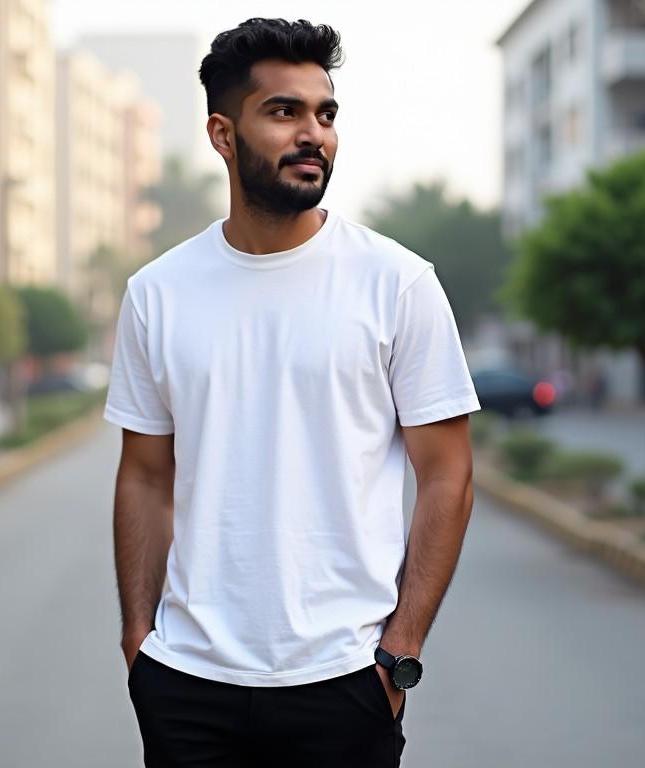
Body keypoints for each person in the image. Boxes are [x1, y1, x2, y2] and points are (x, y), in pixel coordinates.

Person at [105, 18, 480, 767]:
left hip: (343, 680)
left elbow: (448, 474)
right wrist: (138, 643)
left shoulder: (397, 282)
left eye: (326, 113)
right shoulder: (157, 294)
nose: (314, 133)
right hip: (186, 680)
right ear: (222, 133)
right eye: (285, 112)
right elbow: (146, 476)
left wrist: (399, 650)